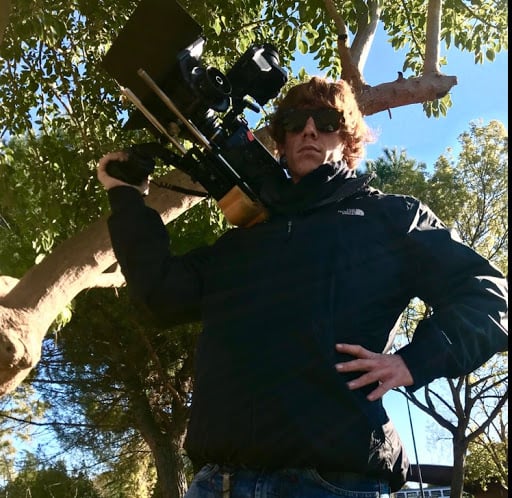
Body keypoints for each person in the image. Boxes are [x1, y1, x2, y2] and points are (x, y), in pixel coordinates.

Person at [97, 76, 508, 498]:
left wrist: (414, 361)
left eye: (327, 121)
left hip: (334, 484)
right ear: (281, 142)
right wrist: (126, 199)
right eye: (295, 122)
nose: (309, 130)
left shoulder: (391, 217)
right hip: (219, 483)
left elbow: (491, 297)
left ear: (348, 140)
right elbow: (161, 295)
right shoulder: (242, 241)